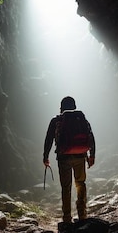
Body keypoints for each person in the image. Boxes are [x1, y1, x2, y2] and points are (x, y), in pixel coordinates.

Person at [43, 96, 95, 224]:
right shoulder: (81, 118)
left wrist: (45, 156)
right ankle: (82, 214)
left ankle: (67, 217)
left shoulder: (56, 120)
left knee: (66, 187)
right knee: (80, 184)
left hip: (63, 158)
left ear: (61, 108)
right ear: (74, 107)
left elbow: (48, 139)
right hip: (80, 156)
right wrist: (92, 155)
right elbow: (90, 136)